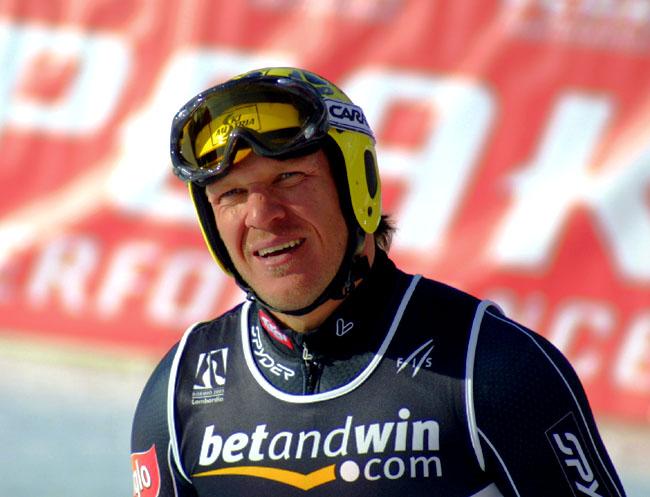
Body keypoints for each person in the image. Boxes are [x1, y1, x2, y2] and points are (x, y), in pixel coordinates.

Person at [130, 67, 627, 497]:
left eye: (290, 179)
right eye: (232, 195)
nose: (262, 216)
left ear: (358, 185)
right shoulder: (180, 393)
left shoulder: (492, 370)